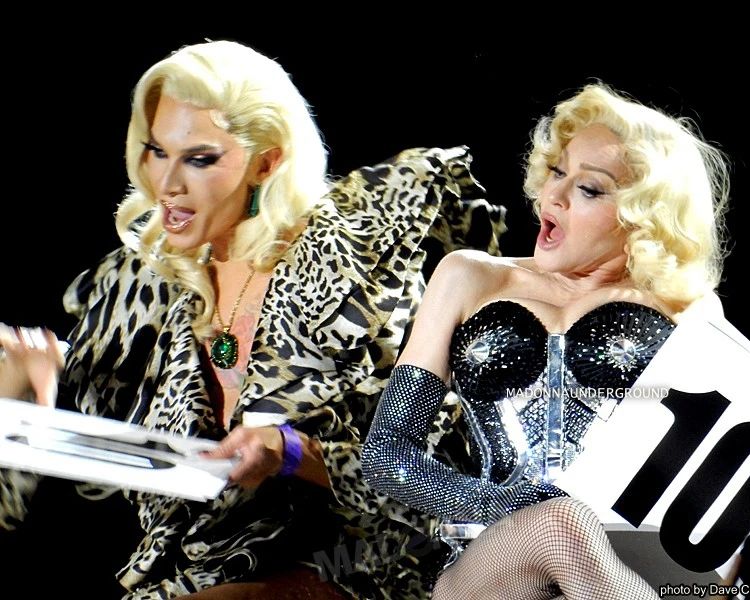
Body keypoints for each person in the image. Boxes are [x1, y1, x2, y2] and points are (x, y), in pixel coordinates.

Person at [0, 40, 504, 599]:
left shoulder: (351, 270)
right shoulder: (152, 288)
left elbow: (444, 482)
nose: (167, 184)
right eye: (157, 151)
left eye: (199, 159)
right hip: (203, 576)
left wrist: (295, 454)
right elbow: (20, 509)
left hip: (368, 562)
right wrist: (21, 402)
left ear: (267, 162)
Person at [363, 83, 728, 599]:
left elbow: (718, 496)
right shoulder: (469, 276)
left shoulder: (688, 311)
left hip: (624, 569)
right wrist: (502, 506)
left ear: (642, 215)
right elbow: (386, 453)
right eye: (558, 171)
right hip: (489, 564)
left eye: (590, 189)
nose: (553, 196)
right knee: (560, 525)